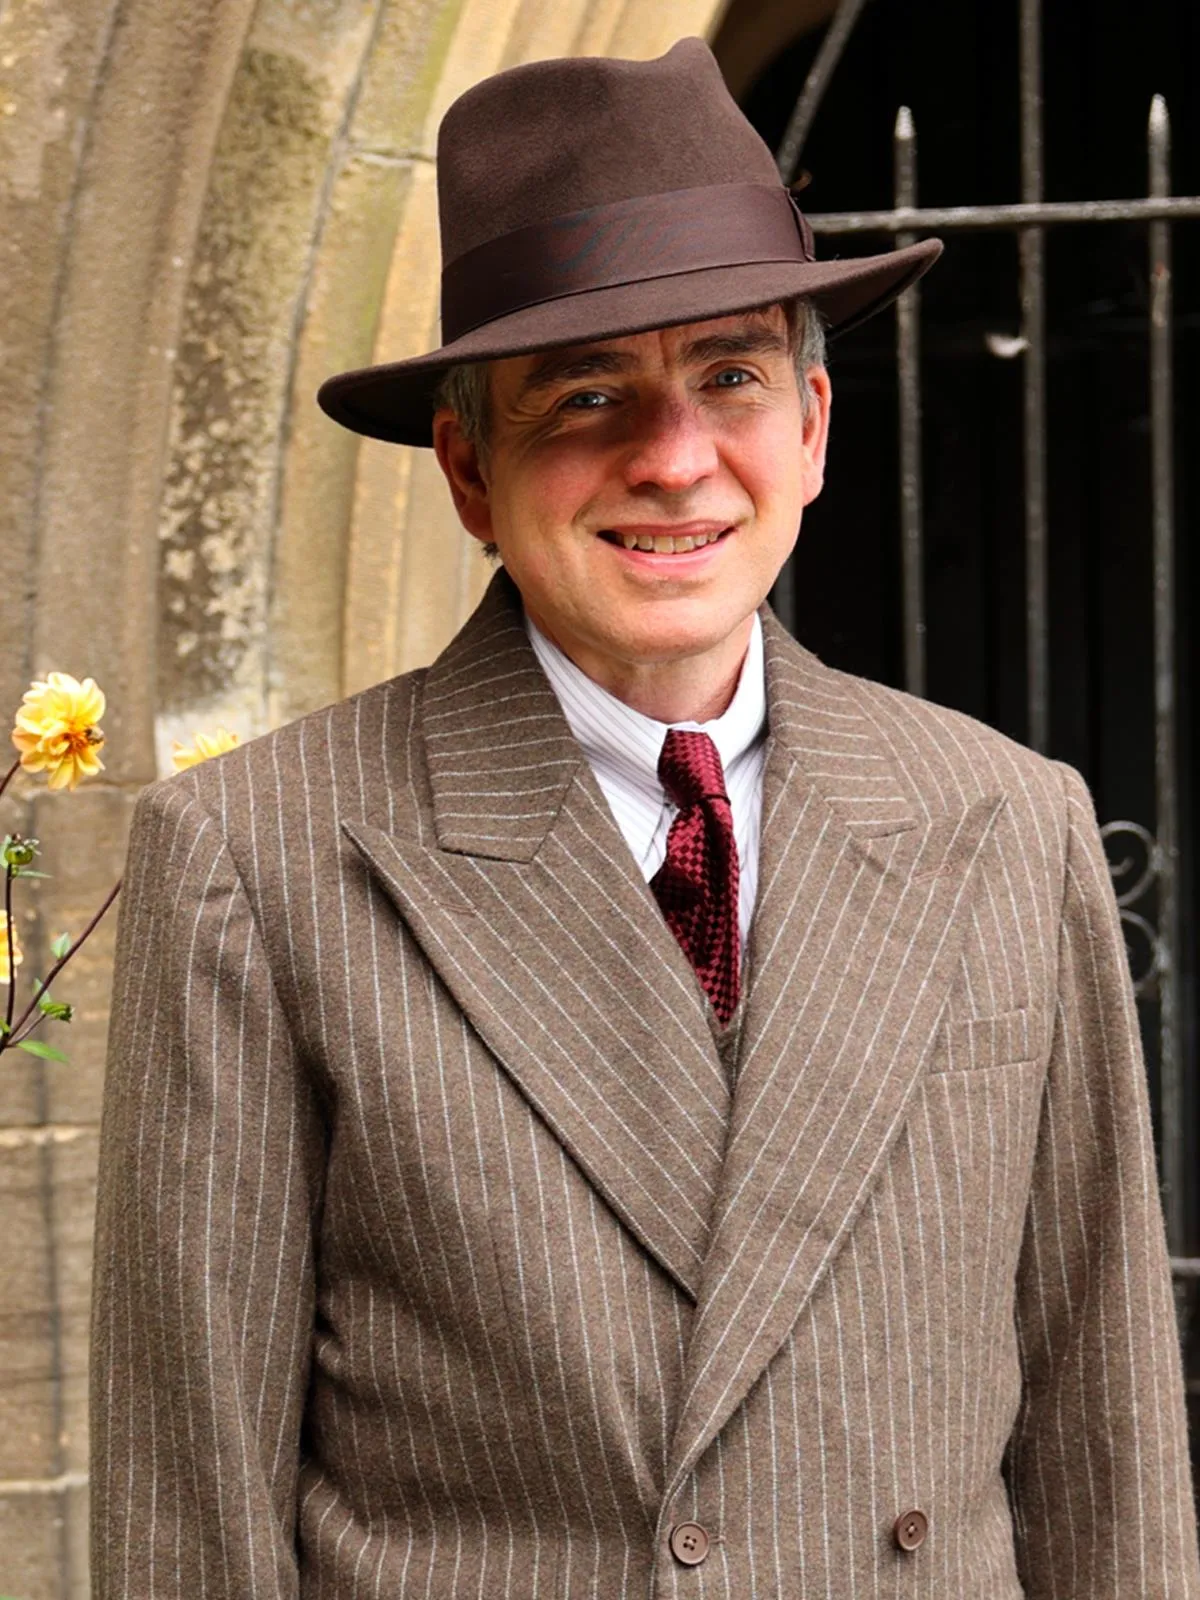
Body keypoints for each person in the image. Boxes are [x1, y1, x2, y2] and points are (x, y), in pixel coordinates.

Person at [90, 37, 1199, 1599]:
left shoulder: (1011, 824)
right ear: (471, 470)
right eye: (589, 393)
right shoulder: (257, 858)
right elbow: (184, 1525)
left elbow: (1111, 1450)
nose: (677, 459)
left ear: (813, 425)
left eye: (732, 376)